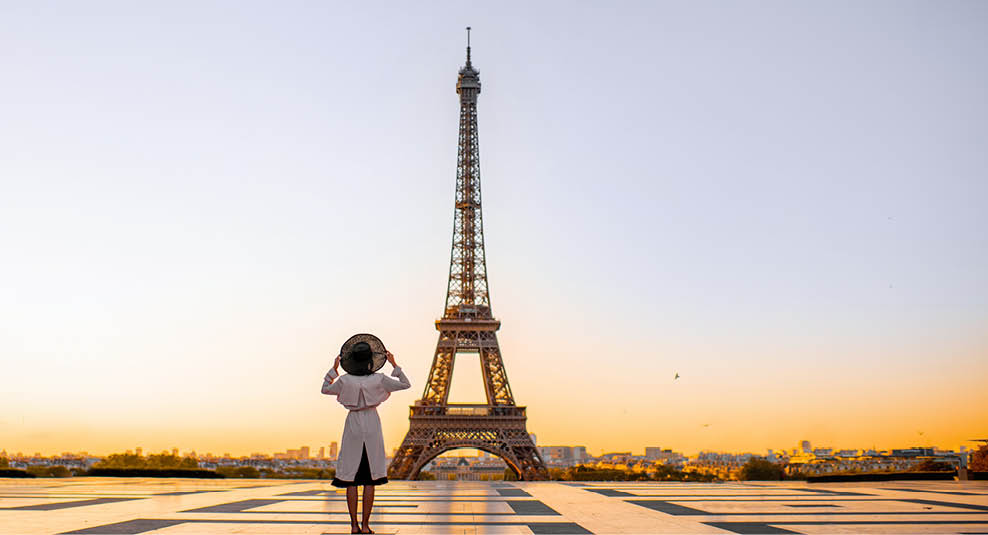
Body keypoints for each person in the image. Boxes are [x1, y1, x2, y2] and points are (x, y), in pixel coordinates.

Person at [321, 334, 411, 534]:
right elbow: (405, 384)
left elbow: (325, 389)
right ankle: (366, 525)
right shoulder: (379, 378)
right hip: (371, 425)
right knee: (370, 480)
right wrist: (395, 364)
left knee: (350, 481)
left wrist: (334, 370)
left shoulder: (344, 380)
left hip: (352, 425)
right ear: (372, 359)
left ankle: (353, 525)